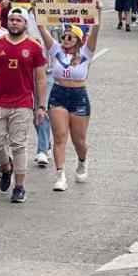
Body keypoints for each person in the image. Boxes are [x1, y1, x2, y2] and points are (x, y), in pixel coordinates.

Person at [0, 8, 47, 204]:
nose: (15, 23)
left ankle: (19, 187)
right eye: (12, 19)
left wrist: (41, 106)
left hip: (23, 103)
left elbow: (40, 79)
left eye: (19, 20)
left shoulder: (34, 47)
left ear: (25, 24)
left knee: (19, 144)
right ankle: (6, 167)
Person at [37, 17, 100, 190]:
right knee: (59, 136)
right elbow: (41, 27)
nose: (65, 40)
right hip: (58, 95)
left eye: (69, 37)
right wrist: (37, 9)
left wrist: (98, 10)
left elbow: (95, 30)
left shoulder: (87, 52)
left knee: (79, 141)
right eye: (63, 37)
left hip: (79, 97)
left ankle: (82, 161)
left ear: (79, 40)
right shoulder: (57, 50)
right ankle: (60, 175)